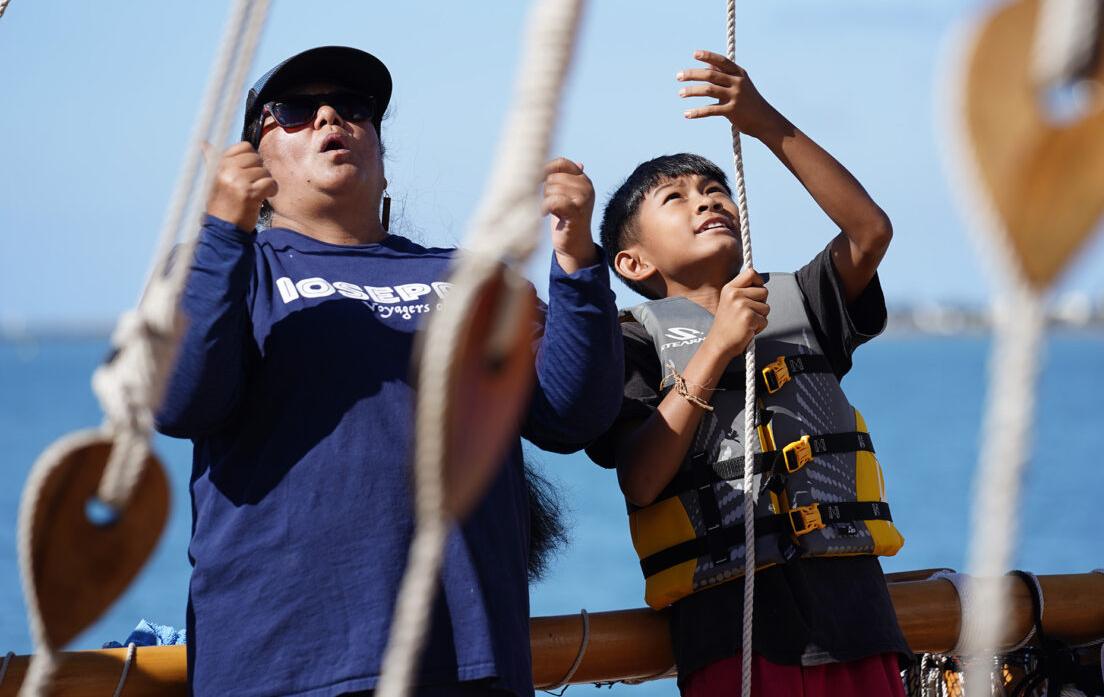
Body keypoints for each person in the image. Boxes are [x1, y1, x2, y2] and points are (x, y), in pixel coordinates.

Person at [154, 46, 624, 697]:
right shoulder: (229, 268)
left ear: (378, 146)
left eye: (352, 108)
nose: (329, 117)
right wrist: (221, 234)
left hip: (470, 663)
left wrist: (576, 260)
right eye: (295, 111)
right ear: (254, 159)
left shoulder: (473, 275)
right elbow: (182, 403)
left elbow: (570, 415)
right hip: (279, 665)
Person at [587, 50, 910, 696]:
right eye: (674, 198)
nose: (706, 202)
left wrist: (763, 121)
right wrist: (716, 348)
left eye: (715, 190)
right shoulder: (628, 343)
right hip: (729, 636)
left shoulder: (802, 303)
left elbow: (869, 231)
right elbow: (643, 478)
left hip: (856, 616)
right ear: (632, 261)